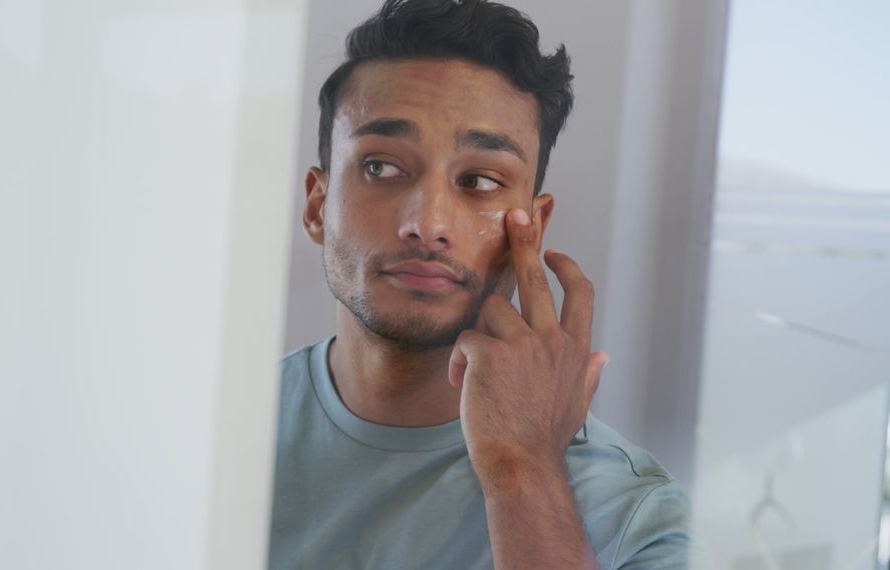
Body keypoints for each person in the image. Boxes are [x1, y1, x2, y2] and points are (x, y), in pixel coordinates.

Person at [268, 0, 692, 568]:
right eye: (382, 167)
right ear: (318, 207)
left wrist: (522, 467)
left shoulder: (637, 520)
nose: (429, 223)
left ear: (533, 228)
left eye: (481, 180)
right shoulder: (210, 427)